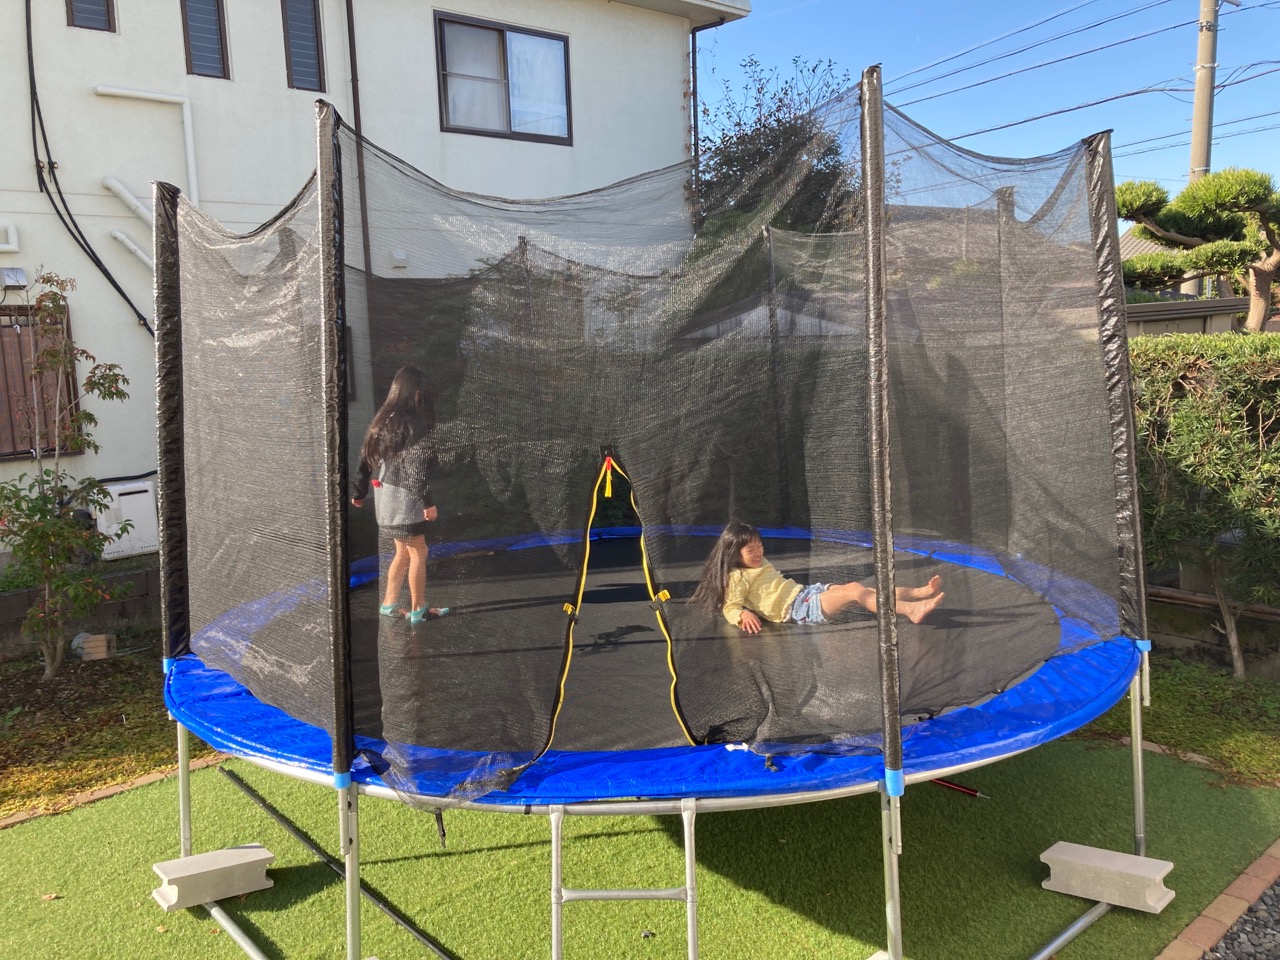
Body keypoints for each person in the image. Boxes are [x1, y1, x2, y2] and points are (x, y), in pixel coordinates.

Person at [691, 521, 943, 633]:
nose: (758, 552)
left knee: (859, 587)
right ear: (735, 554)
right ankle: (910, 609)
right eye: (750, 550)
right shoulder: (737, 577)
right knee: (855, 592)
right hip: (798, 609)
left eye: (759, 545)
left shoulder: (758, 562)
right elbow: (730, 606)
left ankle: (917, 593)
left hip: (805, 593)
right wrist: (742, 615)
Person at [351, 366, 447, 625]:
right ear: (415, 392)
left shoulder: (383, 419)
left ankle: (389, 604)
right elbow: (414, 467)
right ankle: (419, 609)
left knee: (402, 552)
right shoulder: (413, 422)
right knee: (418, 551)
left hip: (385, 497)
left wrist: (359, 491)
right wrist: (427, 500)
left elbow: (365, 458)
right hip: (405, 498)